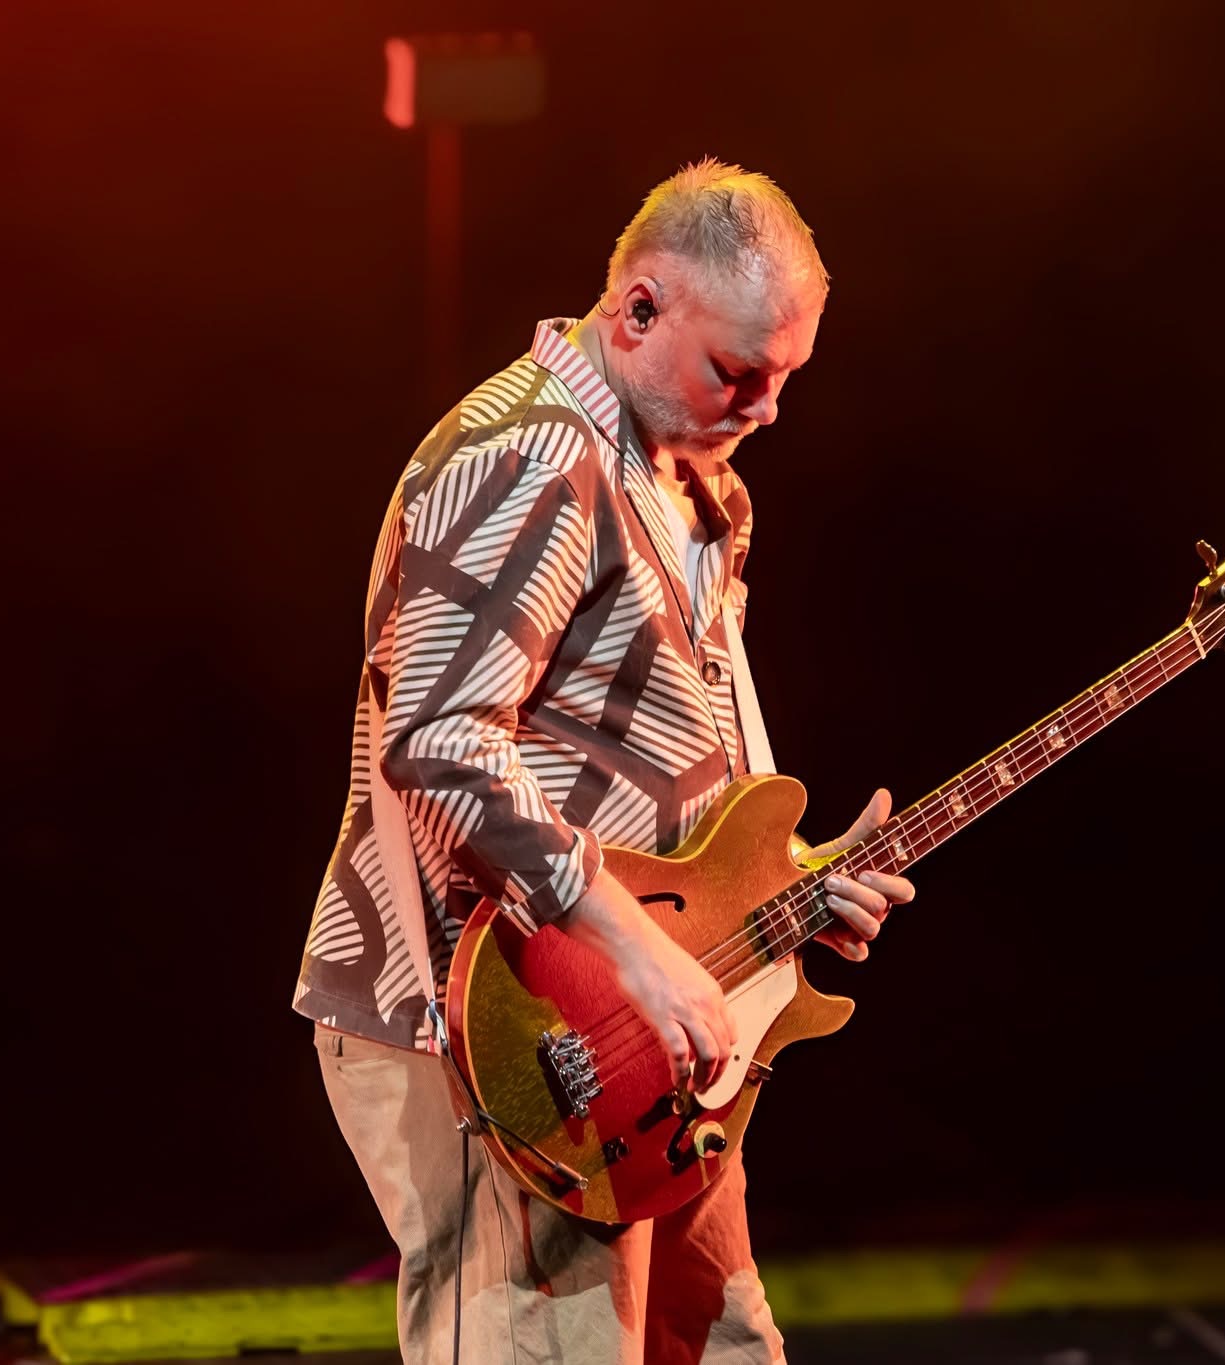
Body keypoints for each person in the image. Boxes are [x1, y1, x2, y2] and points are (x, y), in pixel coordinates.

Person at [293, 158, 914, 1365]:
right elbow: (441, 738)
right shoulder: (531, 454)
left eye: (785, 379)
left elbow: (636, 769)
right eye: (737, 370)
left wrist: (782, 885)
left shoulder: (691, 488)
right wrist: (637, 950)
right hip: (507, 1034)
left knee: (724, 1347)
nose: (765, 408)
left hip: (650, 1049)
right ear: (638, 309)